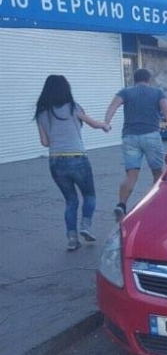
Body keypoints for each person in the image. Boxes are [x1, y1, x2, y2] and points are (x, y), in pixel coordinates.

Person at [34, 75, 111, 250]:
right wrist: (106, 126)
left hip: (56, 162)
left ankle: (72, 239)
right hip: (77, 158)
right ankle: (85, 226)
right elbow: (94, 124)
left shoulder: (41, 113)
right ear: (66, 89)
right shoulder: (74, 108)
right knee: (89, 196)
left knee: (71, 201)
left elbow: (45, 143)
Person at [104, 68, 167, 221]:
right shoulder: (157, 93)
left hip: (130, 137)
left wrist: (106, 122)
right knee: (158, 173)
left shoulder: (125, 92)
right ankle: (154, 204)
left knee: (131, 175)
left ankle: (121, 205)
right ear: (149, 80)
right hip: (151, 136)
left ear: (135, 80)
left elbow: (113, 106)